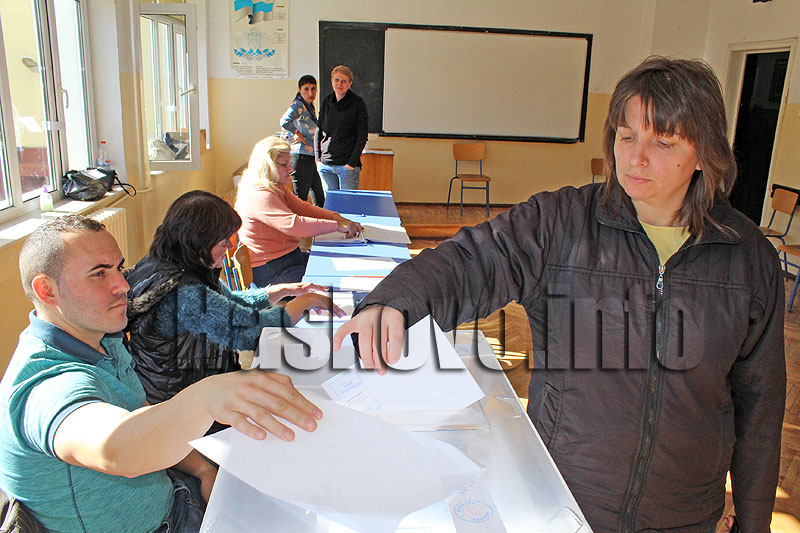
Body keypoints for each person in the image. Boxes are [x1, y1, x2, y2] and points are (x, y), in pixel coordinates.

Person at [334, 57, 785, 533]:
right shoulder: (562, 222)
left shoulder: (748, 257)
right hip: (564, 500)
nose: (635, 158)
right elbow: (473, 259)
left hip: (685, 514)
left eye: (663, 142)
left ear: (704, 152)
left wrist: (753, 522)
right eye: (626, 136)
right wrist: (395, 300)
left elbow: (760, 404)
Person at [0, 215, 322, 532]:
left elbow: (139, 417)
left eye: (118, 269)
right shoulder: (45, 386)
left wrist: (201, 470)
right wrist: (207, 396)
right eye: (98, 274)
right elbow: (117, 448)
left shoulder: (101, 338)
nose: (122, 286)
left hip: (175, 491)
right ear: (47, 290)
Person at [125, 190, 342, 406]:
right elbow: (255, 331)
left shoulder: (165, 263)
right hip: (183, 400)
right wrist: (305, 302)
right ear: (199, 242)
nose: (230, 247)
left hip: (181, 383)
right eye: (223, 242)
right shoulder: (184, 294)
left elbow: (224, 303)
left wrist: (279, 291)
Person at [236, 136, 363, 287]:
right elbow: (294, 225)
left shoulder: (276, 187)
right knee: (335, 283)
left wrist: (337, 218)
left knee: (338, 267)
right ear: (267, 165)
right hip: (272, 271)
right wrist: (337, 226)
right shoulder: (260, 195)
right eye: (284, 164)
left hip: (287, 259)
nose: (291, 169)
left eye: (289, 163)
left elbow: (303, 209)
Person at [314, 65, 369, 191]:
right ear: (331, 81)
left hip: (347, 166)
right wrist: (318, 160)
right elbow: (319, 131)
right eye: (336, 80)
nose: (339, 84)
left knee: (347, 202)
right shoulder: (327, 101)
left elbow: (362, 136)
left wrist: (351, 164)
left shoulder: (357, 103)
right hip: (326, 165)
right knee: (331, 203)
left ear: (350, 83)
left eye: (344, 81)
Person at [281, 74, 326, 207]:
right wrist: (297, 132)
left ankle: (319, 219)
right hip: (301, 156)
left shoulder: (309, 106)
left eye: (313, 89)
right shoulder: (298, 105)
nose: (310, 93)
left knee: (319, 196)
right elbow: (284, 121)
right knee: (300, 198)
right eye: (306, 89)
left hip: (311, 155)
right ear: (300, 90)